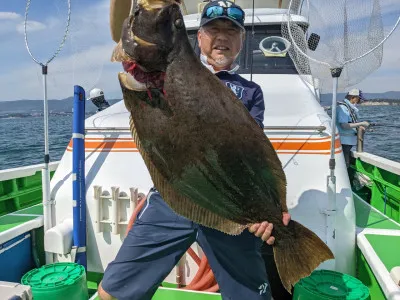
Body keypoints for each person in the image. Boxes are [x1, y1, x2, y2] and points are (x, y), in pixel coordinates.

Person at [98, 1, 290, 299]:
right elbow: (121, 34)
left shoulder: (250, 92)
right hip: (173, 195)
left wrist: (272, 208)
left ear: (241, 41)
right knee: (112, 291)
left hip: (224, 203)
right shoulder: (171, 65)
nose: (222, 38)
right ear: (198, 37)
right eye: (214, 30)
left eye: (232, 31)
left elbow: (250, 157)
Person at [337, 88, 370, 168]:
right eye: (358, 99)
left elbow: (351, 122)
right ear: (353, 97)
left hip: (348, 141)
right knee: (345, 165)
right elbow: (344, 126)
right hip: (343, 141)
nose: (359, 101)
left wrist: (359, 126)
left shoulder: (349, 107)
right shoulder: (343, 108)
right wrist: (361, 123)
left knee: (347, 164)